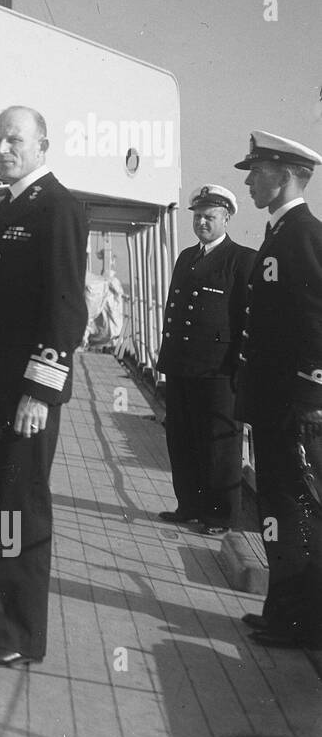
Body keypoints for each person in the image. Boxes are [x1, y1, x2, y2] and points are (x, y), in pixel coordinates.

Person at [0, 105, 87, 667]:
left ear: (43, 145)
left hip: (25, 393)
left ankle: (16, 637)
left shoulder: (57, 206)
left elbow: (64, 308)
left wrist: (41, 391)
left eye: (14, 140)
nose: (3, 149)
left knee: (21, 509)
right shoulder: (11, 205)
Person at [234, 130, 322, 651]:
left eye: (257, 171)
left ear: (285, 175)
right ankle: (280, 611)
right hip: (273, 404)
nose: (248, 181)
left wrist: (311, 398)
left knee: (292, 512)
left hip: (292, 407)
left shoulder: (303, 236)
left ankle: (297, 621)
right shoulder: (281, 233)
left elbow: (317, 324)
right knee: (277, 509)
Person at [155, 185, 254, 537]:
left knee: (219, 445)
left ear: (226, 218)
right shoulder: (186, 257)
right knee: (181, 438)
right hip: (181, 365)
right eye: (198, 217)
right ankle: (190, 506)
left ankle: (221, 516)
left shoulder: (242, 259)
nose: (202, 223)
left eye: (209, 217)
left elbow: (248, 319)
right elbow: (173, 310)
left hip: (218, 369)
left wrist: (242, 370)